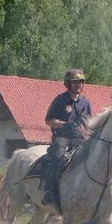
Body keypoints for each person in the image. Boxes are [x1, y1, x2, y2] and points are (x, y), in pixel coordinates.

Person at [41, 68, 92, 206]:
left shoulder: (86, 103)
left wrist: (90, 136)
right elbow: (48, 120)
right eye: (75, 82)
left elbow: (88, 124)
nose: (79, 85)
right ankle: (48, 190)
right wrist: (64, 124)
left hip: (80, 138)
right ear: (68, 84)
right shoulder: (60, 100)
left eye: (81, 82)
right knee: (58, 156)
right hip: (62, 137)